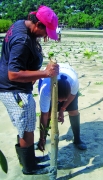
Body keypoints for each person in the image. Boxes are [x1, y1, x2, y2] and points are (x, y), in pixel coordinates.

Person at [0, 5, 59, 175]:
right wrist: (45, 73)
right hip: (13, 89)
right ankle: (29, 168)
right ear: (38, 24)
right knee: (26, 127)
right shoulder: (22, 41)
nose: (46, 35)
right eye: (46, 31)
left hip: (16, 87)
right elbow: (13, 74)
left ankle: (30, 159)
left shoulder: (21, 24)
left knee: (24, 125)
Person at [38, 63, 87, 151]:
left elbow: (73, 95)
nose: (60, 102)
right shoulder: (45, 90)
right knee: (48, 114)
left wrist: (62, 109)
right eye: (59, 100)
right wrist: (41, 137)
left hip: (68, 78)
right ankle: (43, 140)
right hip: (47, 82)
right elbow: (43, 115)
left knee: (73, 111)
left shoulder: (73, 82)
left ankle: (77, 139)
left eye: (63, 100)